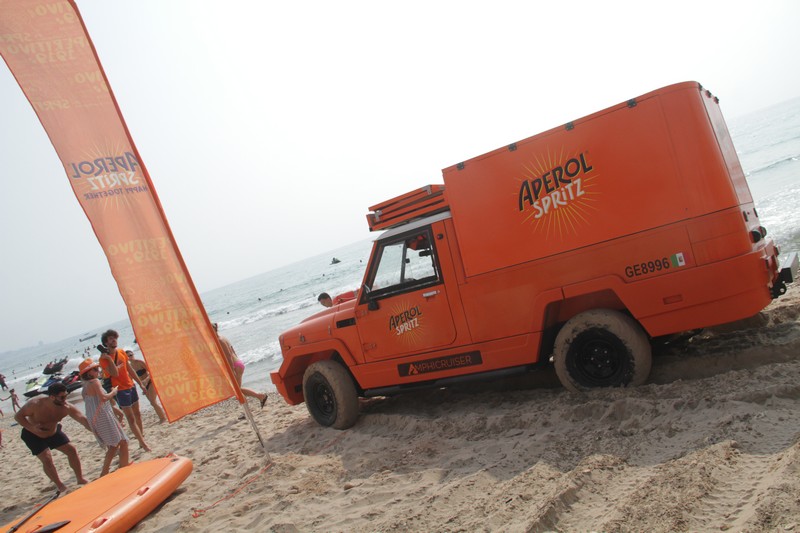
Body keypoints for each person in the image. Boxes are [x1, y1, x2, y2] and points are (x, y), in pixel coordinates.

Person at [14, 382, 92, 491]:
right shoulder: (35, 404)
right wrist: (32, 428)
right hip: (32, 434)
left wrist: (97, 433)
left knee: (72, 450)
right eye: (62, 397)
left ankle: (80, 478)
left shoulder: (66, 407)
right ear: (52, 397)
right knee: (47, 458)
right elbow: (18, 416)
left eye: (66, 395)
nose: (65, 398)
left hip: (53, 432)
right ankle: (60, 485)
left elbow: (83, 419)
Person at [98, 330, 150, 451]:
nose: (114, 340)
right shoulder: (103, 359)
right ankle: (143, 443)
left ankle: (141, 439)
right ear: (106, 342)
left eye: (115, 338)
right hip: (119, 390)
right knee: (131, 418)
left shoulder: (121, 351)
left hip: (130, 385)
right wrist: (110, 360)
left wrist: (140, 383)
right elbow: (114, 373)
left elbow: (129, 369)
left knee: (138, 414)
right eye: (110, 339)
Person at [79, 358, 129, 476]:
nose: (98, 371)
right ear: (89, 373)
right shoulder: (95, 382)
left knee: (121, 441)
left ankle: (122, 467)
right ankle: (107, 471)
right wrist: (114, 392)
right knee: (116, 443)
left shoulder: (84, 387)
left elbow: (94, 403)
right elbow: (104, 398)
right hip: (103, 416)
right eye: (95, 369)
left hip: (95, 417)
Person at [213, 323, 267, 408]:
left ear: (214, 330)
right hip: (238, 364)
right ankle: (260, 396)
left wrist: (232, 370)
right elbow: (232, 351)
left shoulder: (219, 340)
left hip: (235, 366)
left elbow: (228, 356)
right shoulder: (223, 337)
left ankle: (251, 405)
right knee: (238, 389)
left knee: (237, 391)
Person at [126, 350, 167, 423]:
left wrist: (146, 380)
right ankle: (162, 417)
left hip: (150, 382)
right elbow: (130, 379)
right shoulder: (130, 367)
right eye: (128, 356)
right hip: (144, 386)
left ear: (133, 355)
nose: (130, 357)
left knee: (153, 401)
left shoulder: (139, 362)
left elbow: (151, 371)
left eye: (131, 355)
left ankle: (163, 418)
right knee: (152, 403)